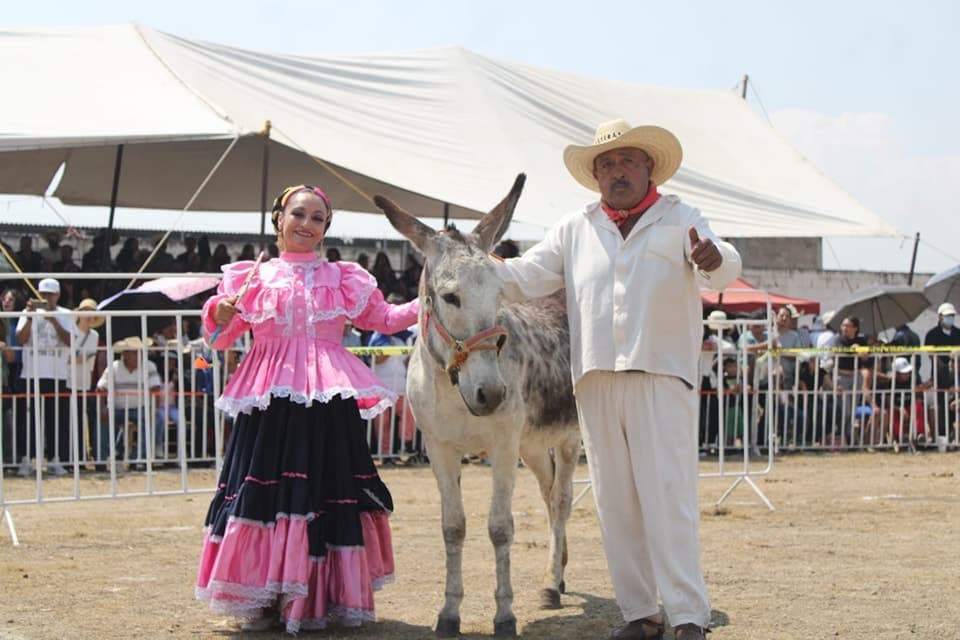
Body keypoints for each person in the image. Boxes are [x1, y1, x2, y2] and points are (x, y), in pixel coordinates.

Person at [490, 119, 741, 640]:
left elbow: (723, 265)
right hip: (596, 377)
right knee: (614, 501)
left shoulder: (682, 217)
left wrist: (714, 258)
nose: (616, 172)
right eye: (606, 165)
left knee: (667, 496)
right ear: (595, 175)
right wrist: (472, 261)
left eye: (627, 161)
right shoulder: (574, 227)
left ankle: (688, 614)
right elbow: (522, 276)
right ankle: (640, 614)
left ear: (649, 167)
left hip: (661, 373)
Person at [195, 184, 418, 633]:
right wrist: (216, 312)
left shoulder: (344, 276)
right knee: (264, 494)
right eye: (298, 214)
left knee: (324, 493)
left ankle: (317, 598)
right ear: (279, 219)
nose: (307, 224)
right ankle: (262, 598)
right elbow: (219, 339)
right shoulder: (250, 277)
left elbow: (385, 320)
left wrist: (431, 294)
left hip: (326, 402)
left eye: (318, 218)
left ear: (325, 228)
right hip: (269, 400)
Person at [15, 278, 74, 476]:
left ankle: (56, 459)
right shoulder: (28, 312)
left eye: (50, 294)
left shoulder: (66, 314)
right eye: (43, 294)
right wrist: (31, 316)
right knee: (28, 420)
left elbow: (71, 341)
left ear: (57, 295)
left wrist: (54, 321)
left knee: (56, 420)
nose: (46, 298)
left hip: (56, 375)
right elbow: (21, 339)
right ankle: (26, 459)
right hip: (31, 374)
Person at [95, 336, 163, 470]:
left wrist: (152, 410)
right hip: (116, 408)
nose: (138, 355)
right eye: (133, 352)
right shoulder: (113, 367)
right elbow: (100, 388)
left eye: (139, 351)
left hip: (140, 408)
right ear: (124, 354)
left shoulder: (149, 366)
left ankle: (136, 458)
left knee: (152, 420)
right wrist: (102, 409)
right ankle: (102, 460)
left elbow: (155, 390)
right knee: (103, 421)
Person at [67, 298, 103, 468]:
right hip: (67, 380)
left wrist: (78, 358)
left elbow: (88, 360)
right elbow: (69, 358)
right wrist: (79, 358)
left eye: (92, 313)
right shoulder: (70, 331)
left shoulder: (94, 335)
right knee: (68, 420)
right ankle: (70, 456)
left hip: (84, 382)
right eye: (86, 312)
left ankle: (82, 457)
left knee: (82, 421)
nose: (89, 316)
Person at [923, 302, 960, 441]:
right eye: (947, 316)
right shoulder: (932, 334)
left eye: (952, 316)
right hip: (940, 376)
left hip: (957, 374)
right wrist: (944, 366)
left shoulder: (958, 333)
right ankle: (943, 434)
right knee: (941, 405)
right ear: (940, 317)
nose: (950, 318)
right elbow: (931, 354)